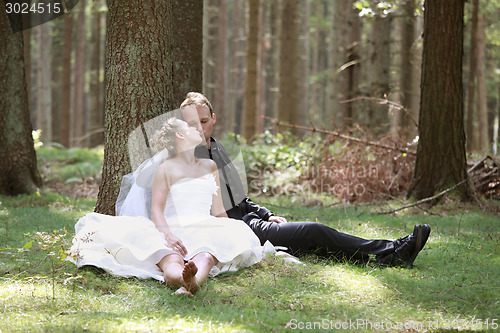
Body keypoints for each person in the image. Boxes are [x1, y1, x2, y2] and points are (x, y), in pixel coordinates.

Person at [180, 92, 431, 267]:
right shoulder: (187, 160)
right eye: (193, 124)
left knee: (312, 241)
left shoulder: (218, 148)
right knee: (313, 230)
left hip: (251, 220)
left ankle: (385, 256)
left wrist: (266, 214)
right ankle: (392, 251)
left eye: (204, 121)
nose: (200, 129)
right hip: (236, 230)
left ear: (213, 118)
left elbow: (239, 196)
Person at [69, 117, 270, 297]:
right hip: (171, 226)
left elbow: (218, 210)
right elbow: (156, 210)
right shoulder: (166, 168)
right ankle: (182, 279)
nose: (198, 129)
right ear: (180, 135)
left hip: (204, 225)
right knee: (170, 259)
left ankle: (192, 280)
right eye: (191, 127)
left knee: (206, 256)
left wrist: (227, 232)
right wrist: (168, 235)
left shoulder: (209, 165)